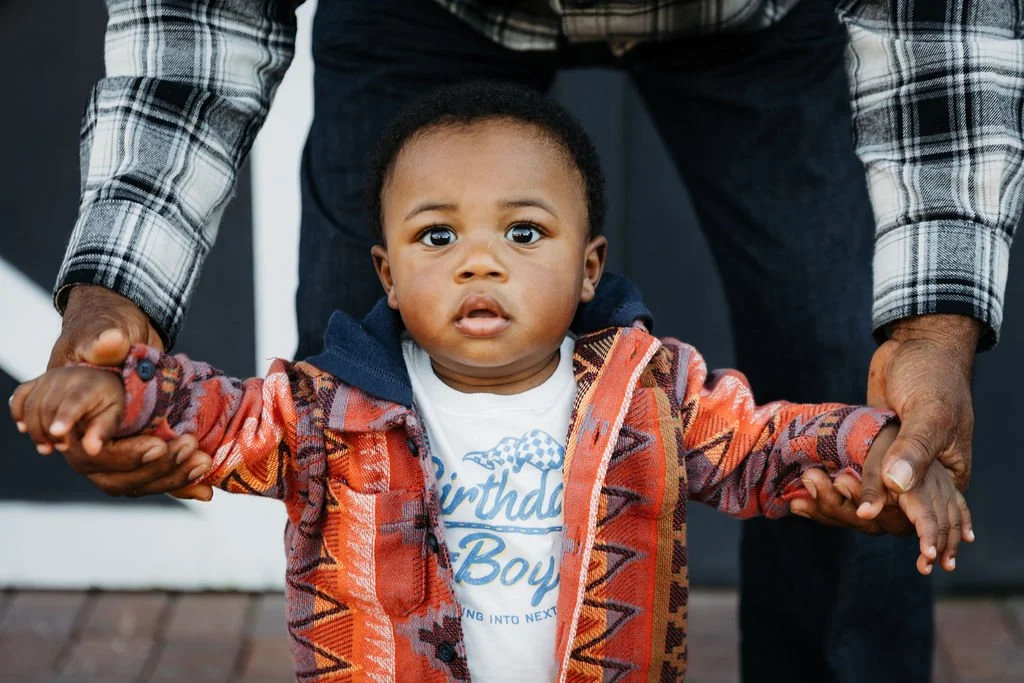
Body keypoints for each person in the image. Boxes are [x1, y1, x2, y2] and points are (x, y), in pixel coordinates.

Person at [45, 1, 1022, 681]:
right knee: (340, 382)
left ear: (590, 267)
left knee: (840, 346)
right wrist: (116, 368)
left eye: (523, 234)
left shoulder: (652, 391)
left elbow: (771, 442)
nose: (478, 263)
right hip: (437, 13)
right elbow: (212, 418)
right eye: (436, 237)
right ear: (388, 271)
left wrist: (877, 445)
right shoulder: (326, 404)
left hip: (749, 19)